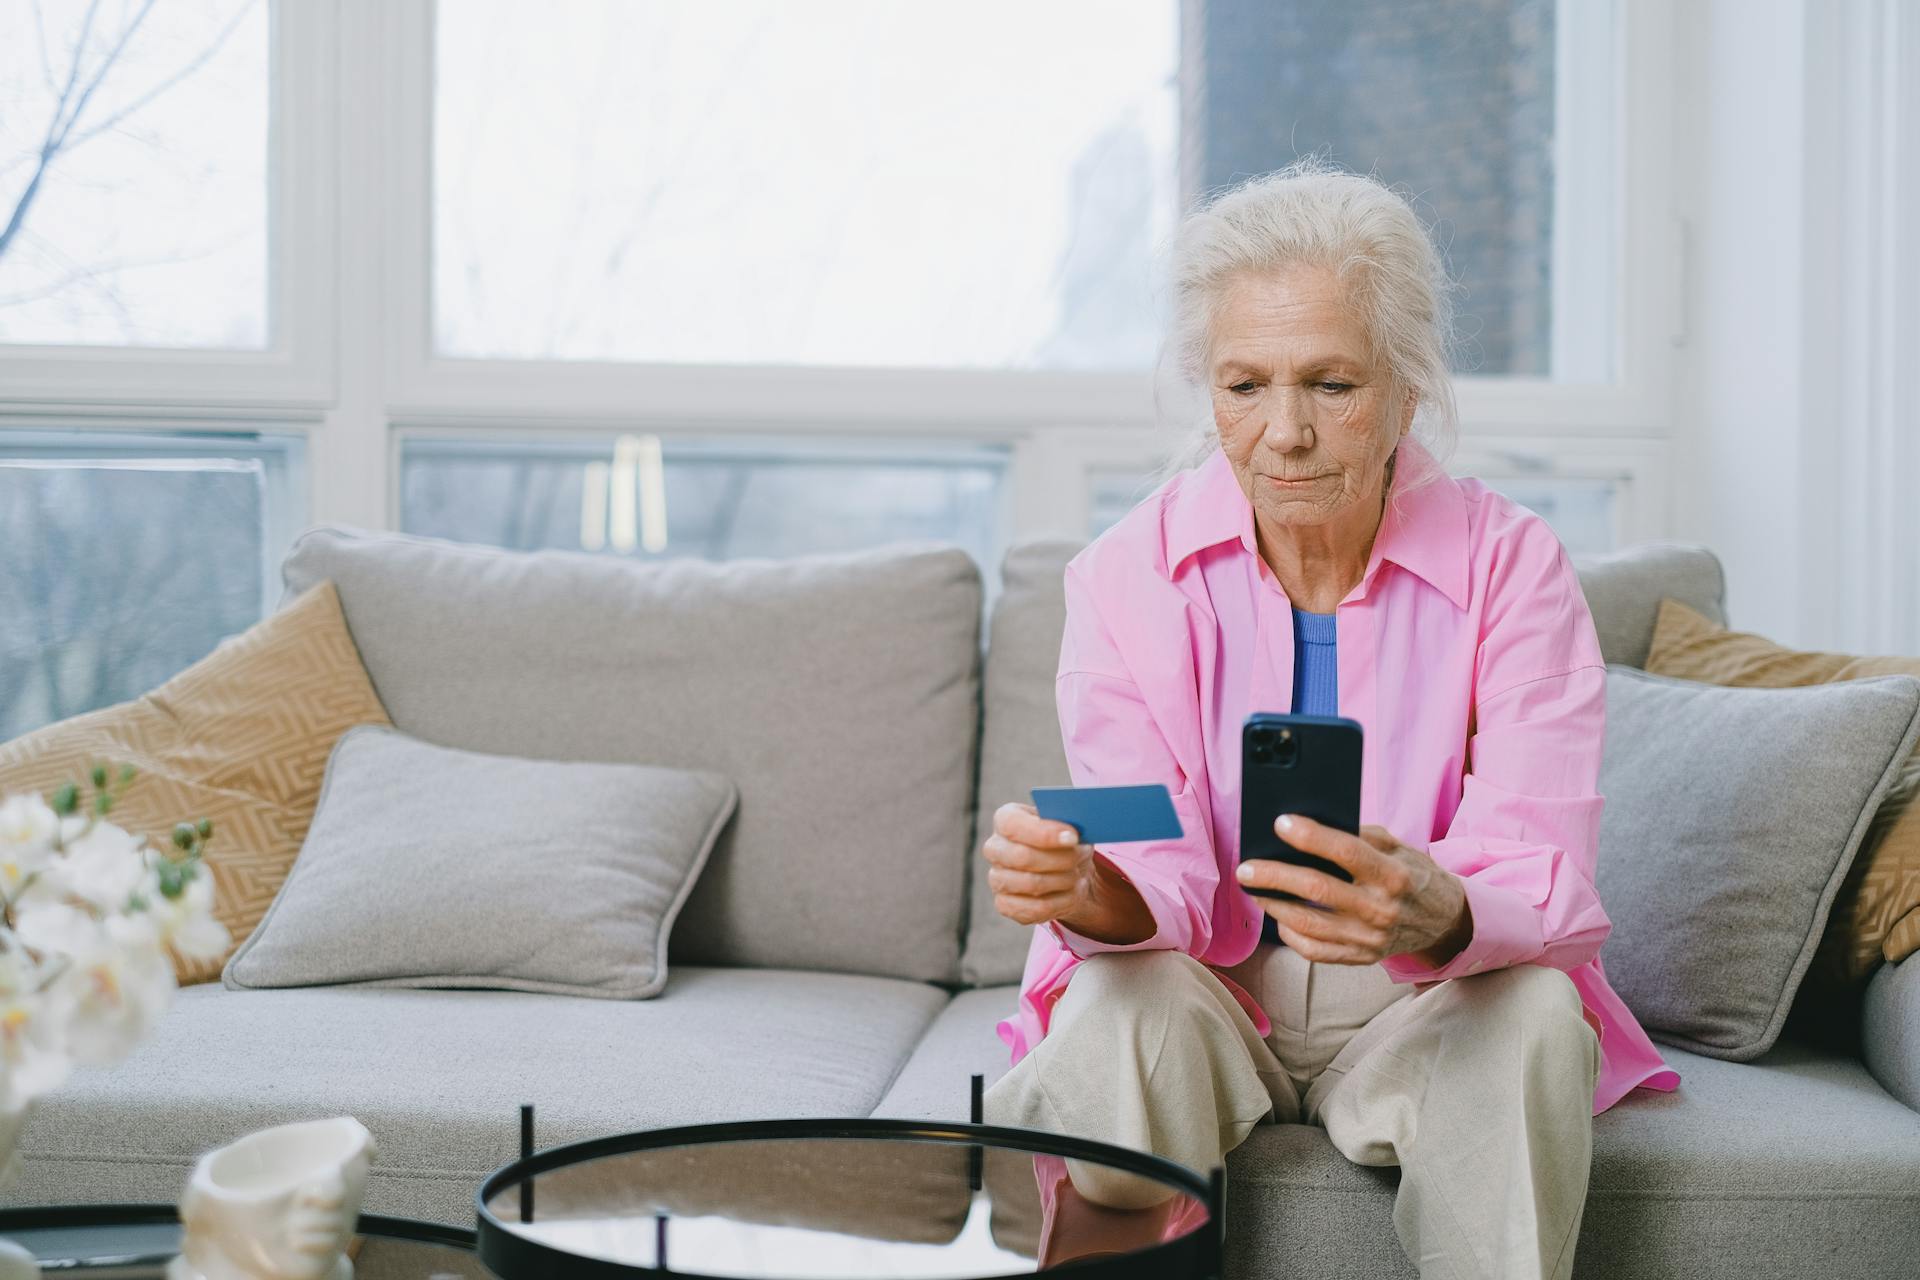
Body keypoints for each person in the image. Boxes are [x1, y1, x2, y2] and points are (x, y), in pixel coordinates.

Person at [978, 160, 1679, 1280]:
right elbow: (1148, 853)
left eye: (1332, 385)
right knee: (1116, 1002)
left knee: (1538, 1009)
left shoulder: (1514, 567)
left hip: (1426, 993)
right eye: (1244, 384)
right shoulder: (1124, 576)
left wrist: (1434, 906)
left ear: (1406, 387)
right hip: (1207, 978)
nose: (1284, 433)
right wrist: (1085, 891)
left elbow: (1540, 864)